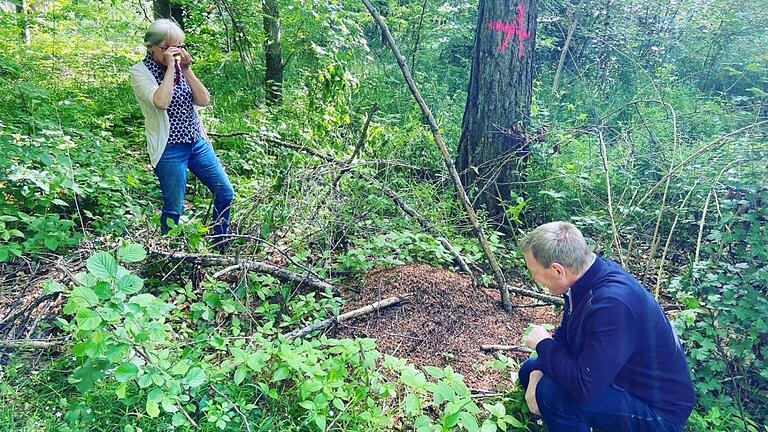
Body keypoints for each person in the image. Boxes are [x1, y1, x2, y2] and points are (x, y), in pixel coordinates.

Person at [517, 221, 695, 432]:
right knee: (529, 370)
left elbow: (585, 387)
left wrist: (543, 346)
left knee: (552, 392)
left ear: (558, 270)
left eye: (534, 271)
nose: (533, 277)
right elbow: (565, 338)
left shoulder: (611, 304)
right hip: (617, 378)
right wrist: (538, 370)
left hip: (660, 413)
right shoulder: (585, 279)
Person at [130, 19, 234, 238]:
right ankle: (170, 252)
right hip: (168, 149)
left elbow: (204, 100)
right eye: (167, 48)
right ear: (151, 46)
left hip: (196, 142)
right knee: (174, 208)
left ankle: (219, 241)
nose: (174, 53)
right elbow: (161, 102)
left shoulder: (181, 68)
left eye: (179, 47)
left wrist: (186, 69)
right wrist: (170, 69)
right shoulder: (140, 72)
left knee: (224, 191)